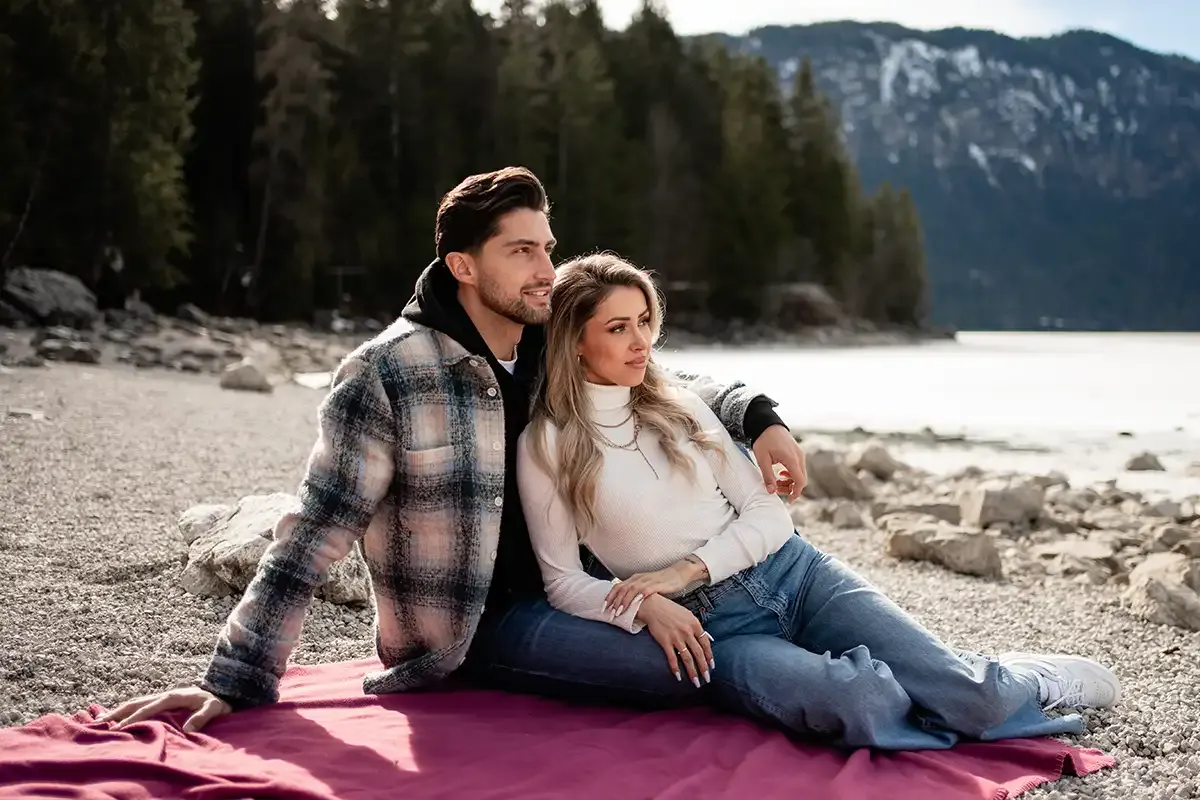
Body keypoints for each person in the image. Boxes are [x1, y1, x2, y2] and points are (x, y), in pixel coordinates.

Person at [96, 166, 808, 732]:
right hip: (475, 625)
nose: (546, 270)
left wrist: (759, 417)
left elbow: (659, 377)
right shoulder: (387, 373)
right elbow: (315, 528)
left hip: (583, 589)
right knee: (674, 669)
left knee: (700, 642)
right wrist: (237, 676)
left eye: (547, 248)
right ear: (463, 266)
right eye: (521, 251)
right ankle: (802, 679)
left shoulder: (544, 338)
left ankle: (802, 668)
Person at [515, 252, 1122, 750]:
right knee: (862, 704)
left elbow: (769, 515)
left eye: (644, 321)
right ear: (574, 341)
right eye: (617, 328)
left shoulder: (681, 405)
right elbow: (563, 581)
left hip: (796, 574)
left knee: (977, 703)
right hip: (717, 634)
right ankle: (941, 678)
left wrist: (686, 569)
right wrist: (645, 608)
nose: (641, 342)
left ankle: (1016, 680)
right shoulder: (546, 445)